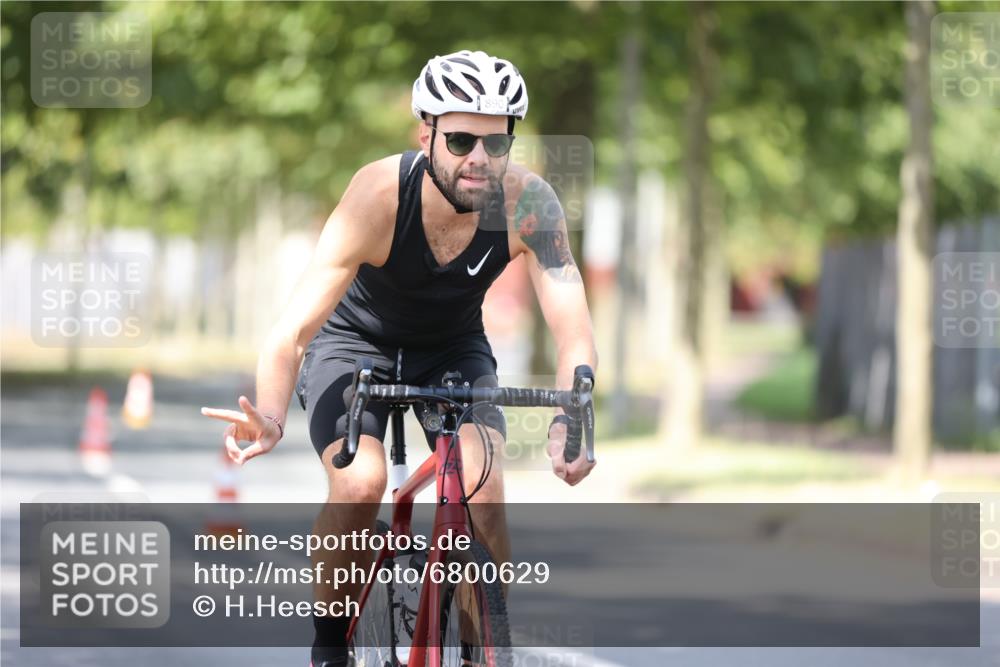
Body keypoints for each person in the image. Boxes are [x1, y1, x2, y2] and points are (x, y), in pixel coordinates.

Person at [202, 49, 598, 666]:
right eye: (462, 138)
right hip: (355, 345)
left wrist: (574, 416)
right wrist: (272, 415)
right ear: (427, 134)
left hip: (453, 348)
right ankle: (329, 645)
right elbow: (291, 331)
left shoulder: (529, 205)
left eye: (496, 144)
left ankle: (479, 651)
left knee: (484, 486)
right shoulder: (379, 194)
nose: (478, 159)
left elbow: (572, 321)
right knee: (361, 480)